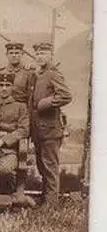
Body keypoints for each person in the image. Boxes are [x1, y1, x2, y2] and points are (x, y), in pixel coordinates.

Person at [30, 42, 72, 198]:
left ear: (51, 55)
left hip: (50, 130)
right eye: (38, 54)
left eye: (43, 54)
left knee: (50, 167)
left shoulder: (53, 74)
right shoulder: (38, 74)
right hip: (38, 130)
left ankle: (51, 204)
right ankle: (46, 197)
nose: (39, 57)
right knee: (42, 166)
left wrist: (45, 103)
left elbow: (66, 95)